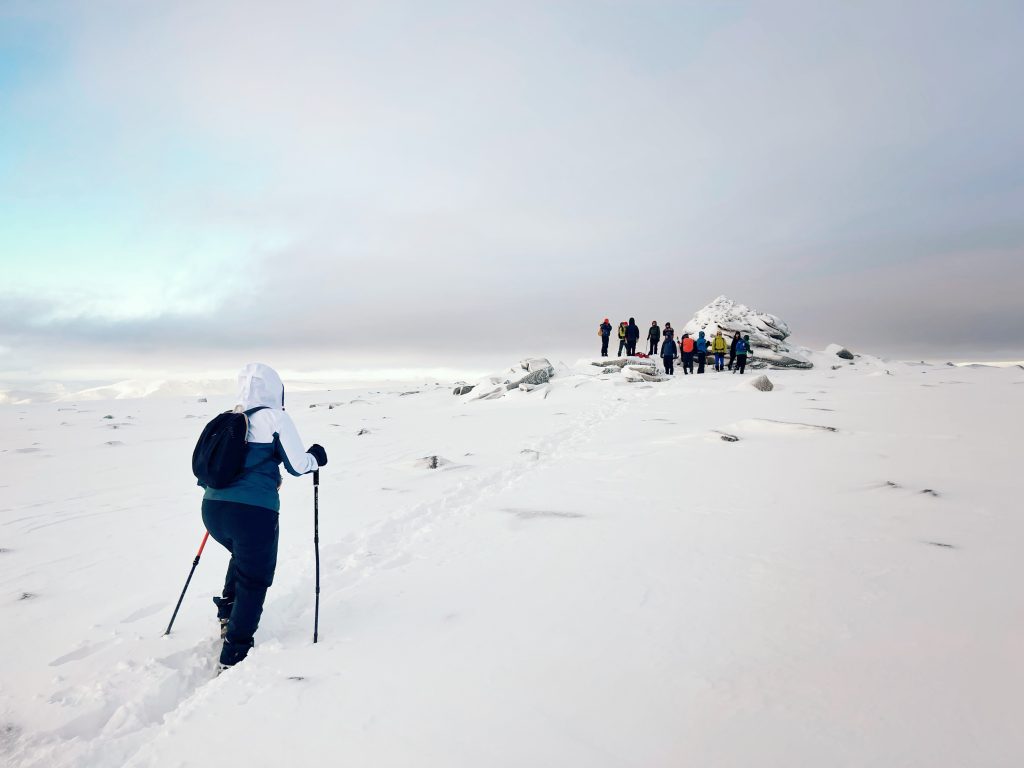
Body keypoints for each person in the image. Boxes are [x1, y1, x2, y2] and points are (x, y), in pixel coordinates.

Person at [200, 363, 327, 668]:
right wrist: (317, 458)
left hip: (213, 509)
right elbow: (298, 465)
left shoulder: (229, 418)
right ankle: (235, 652)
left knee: (242, 558)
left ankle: (228, 613)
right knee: (255, 578)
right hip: (253, 513)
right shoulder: (275, 417)